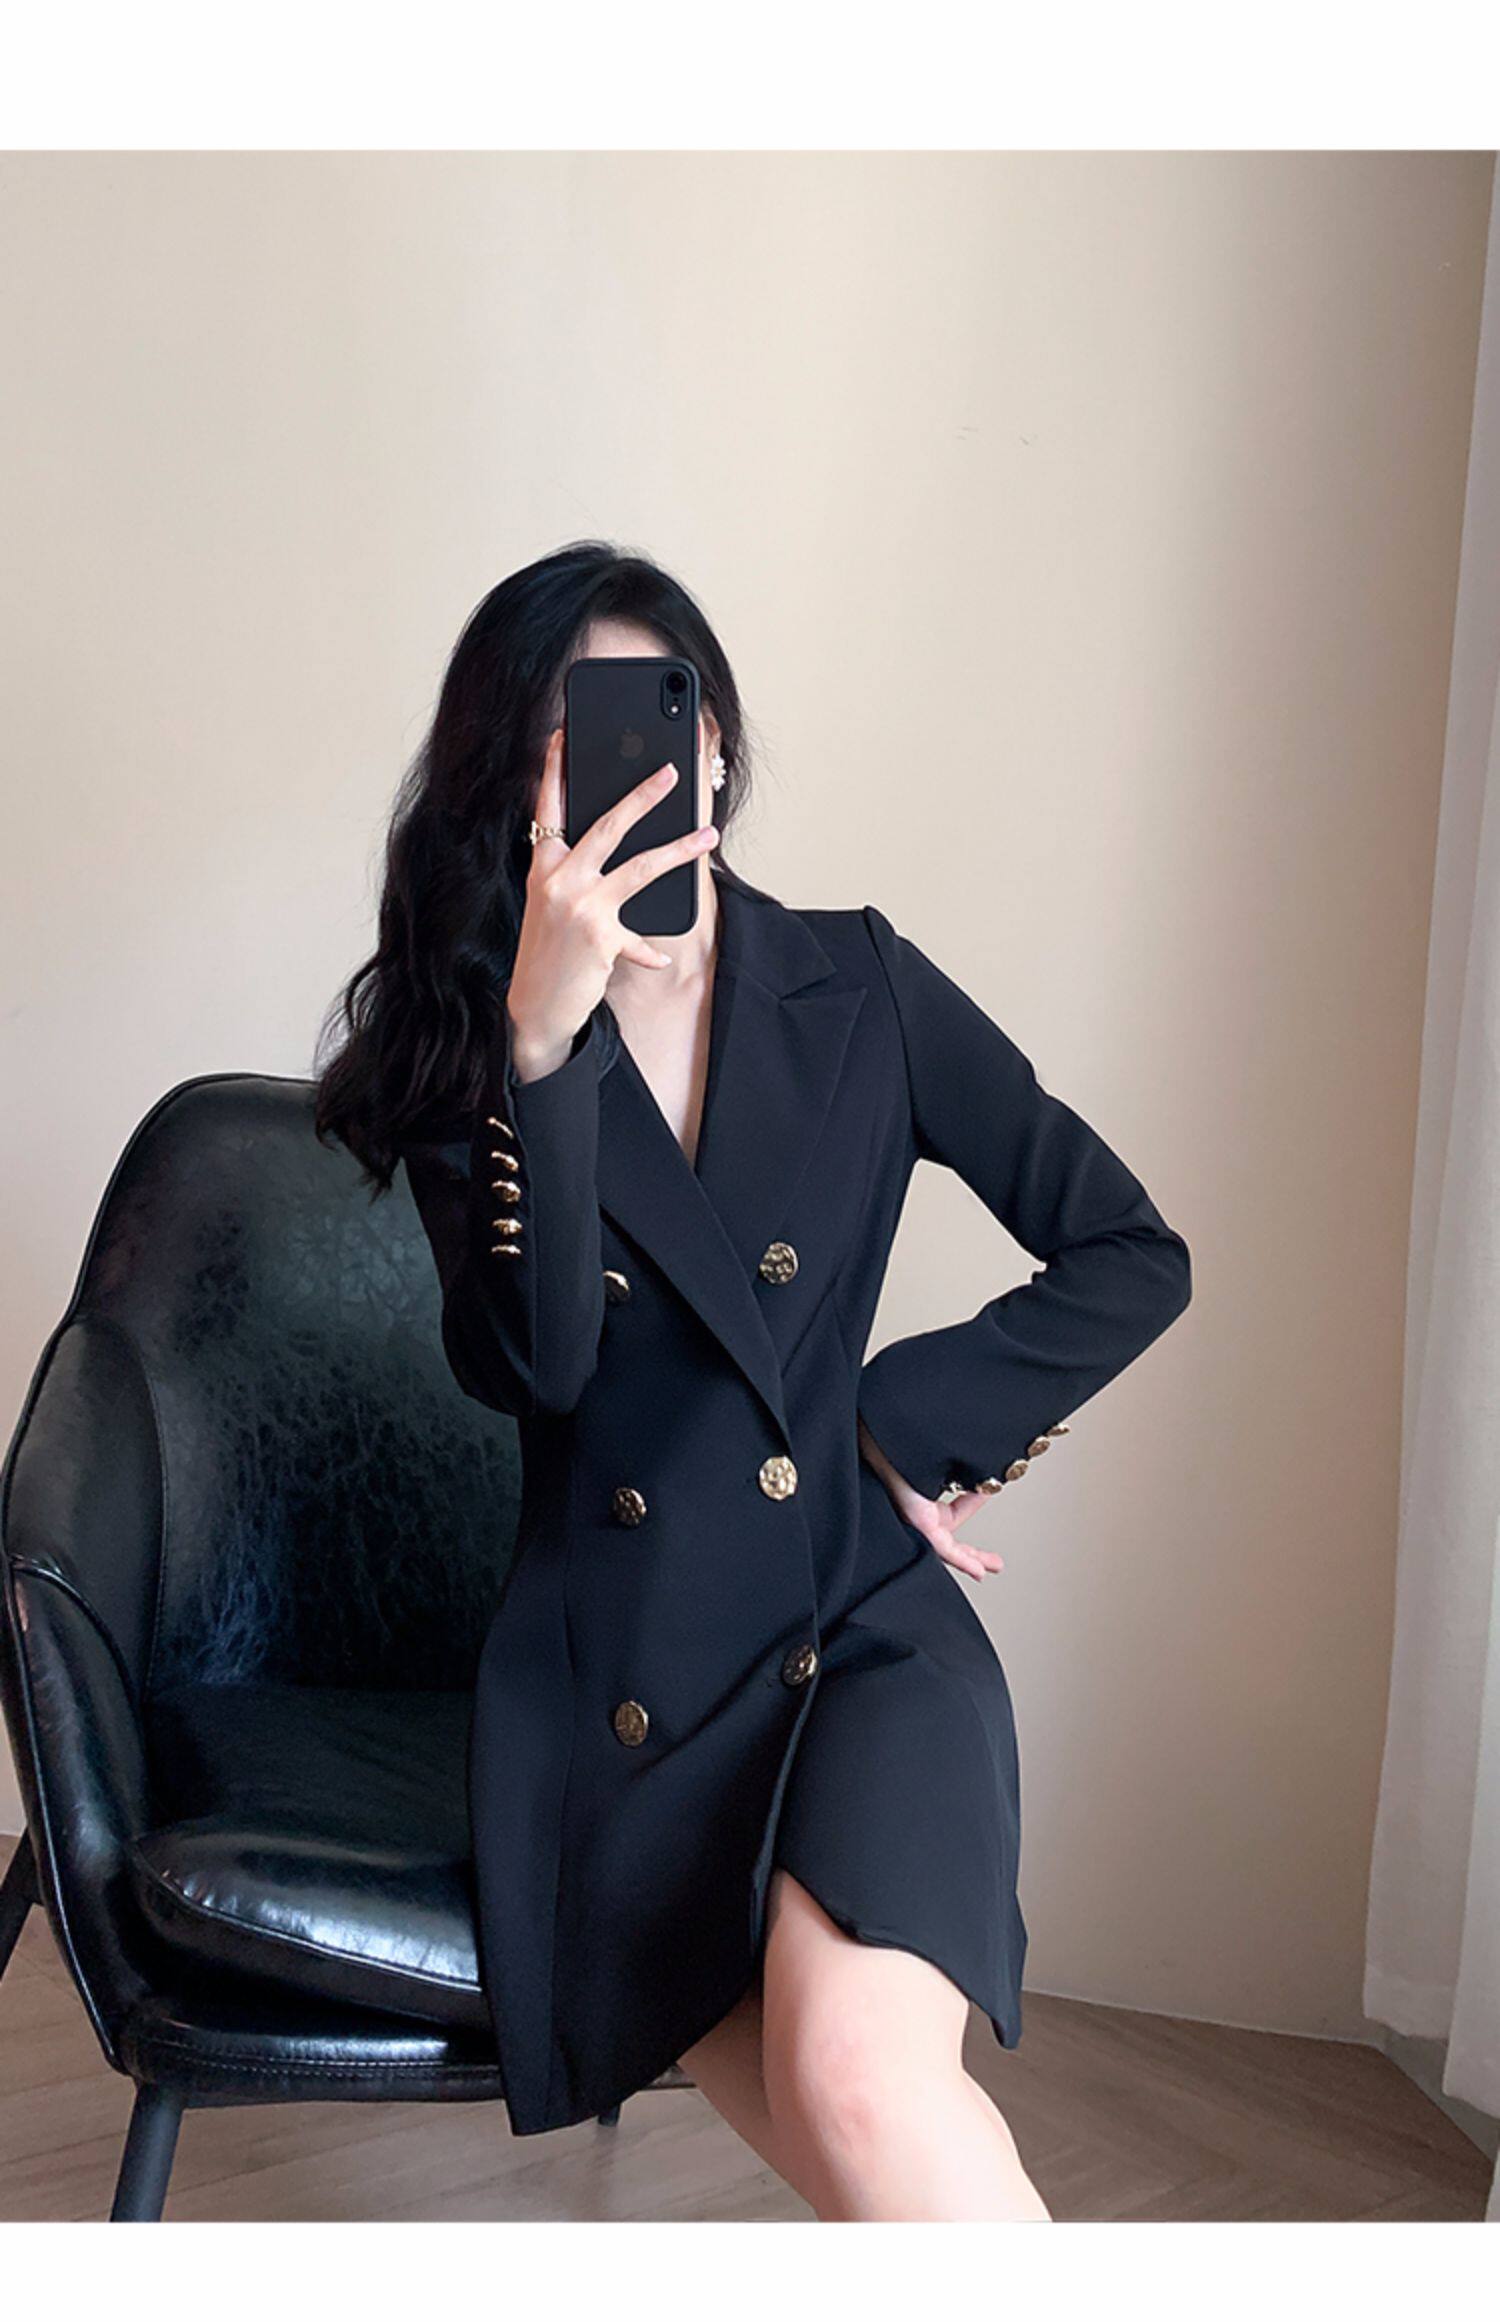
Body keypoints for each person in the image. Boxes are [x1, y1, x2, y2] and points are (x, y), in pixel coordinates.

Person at [316, 540, 1193, 2222]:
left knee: (856, 2080)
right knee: (865, 2130)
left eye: (669, 719)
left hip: (861, 1627)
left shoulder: (859, 988)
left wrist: (895, 1425)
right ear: (514, 788)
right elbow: (542, 1366)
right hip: (630, 1687)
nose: (638, 772)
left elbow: (1130, 1249)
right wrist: (542, 1048)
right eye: (571, 741)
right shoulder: (470, 1056)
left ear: (714, 746)